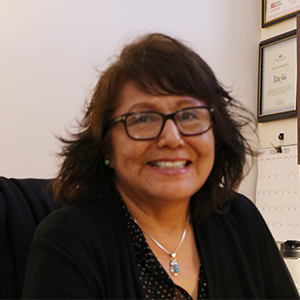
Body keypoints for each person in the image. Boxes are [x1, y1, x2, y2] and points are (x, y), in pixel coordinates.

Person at [21, 33, 299, 300]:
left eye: (189, 115)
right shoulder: (67, 241)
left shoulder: (240, 218)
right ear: (107, 146)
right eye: (143, 119)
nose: (172, 138)